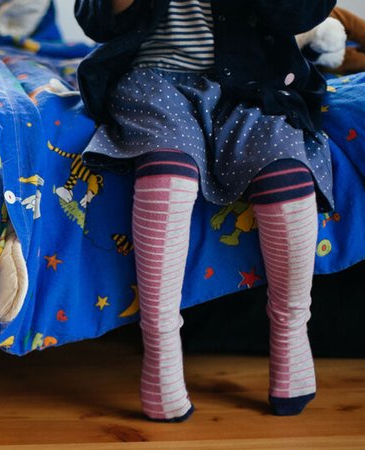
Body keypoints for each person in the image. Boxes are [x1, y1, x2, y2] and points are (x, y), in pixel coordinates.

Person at [74, 0, 336, 422]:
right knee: (167, 175)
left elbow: (302, 15)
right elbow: (95, 20)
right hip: (154, 81)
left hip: (256, 84)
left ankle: (291, 332)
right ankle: (160, 347)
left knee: (286, 176)